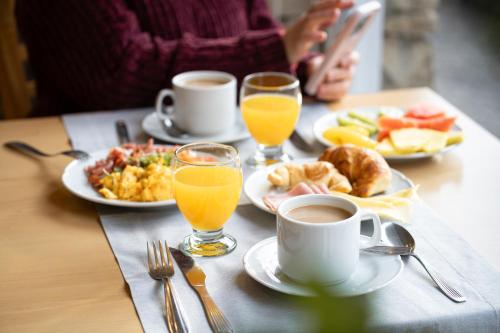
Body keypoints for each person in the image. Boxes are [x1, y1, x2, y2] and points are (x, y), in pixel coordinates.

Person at [16, 0, 358, 117]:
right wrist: (273, 55)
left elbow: (258, 30)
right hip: (95, 169)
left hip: (217, 152)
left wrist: (299, 70)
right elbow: (122, 72)